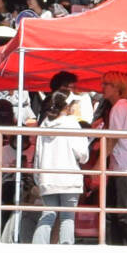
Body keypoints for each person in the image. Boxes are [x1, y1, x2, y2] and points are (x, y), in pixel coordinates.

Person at [32, 90, 89, 245]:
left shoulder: (44, 124)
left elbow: (38, 154)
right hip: (69, 177)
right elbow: (83, 154)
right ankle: (66, 249)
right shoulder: (72, 124)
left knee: (47, 214)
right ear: (67, 106)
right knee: (67, 218)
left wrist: (38, 177)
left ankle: (37, 248)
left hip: (47, 177)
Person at [96, 71, 127, 246]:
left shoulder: (119, 107)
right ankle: (122, 247)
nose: (102, 88)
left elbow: (113, 138)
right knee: (116, 212)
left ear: (117, 88)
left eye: (106, 84)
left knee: (124, 213)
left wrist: (98, 165)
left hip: (124, 166)